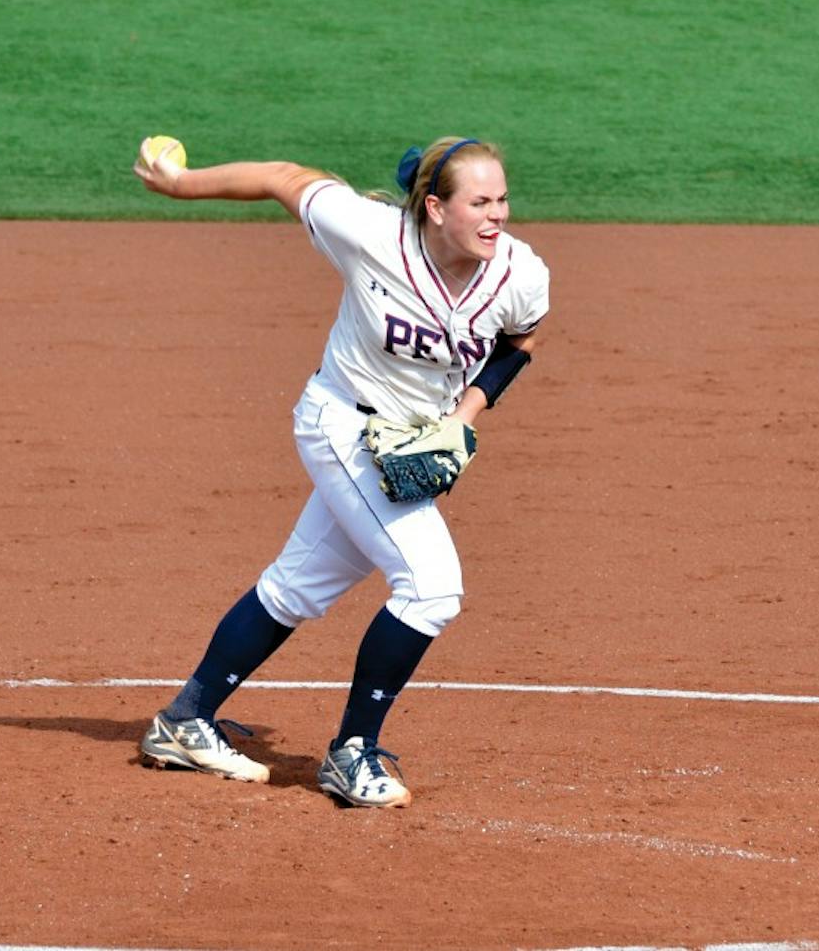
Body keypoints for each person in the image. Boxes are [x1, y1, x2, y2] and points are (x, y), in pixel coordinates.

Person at [130, 135, 549, 808]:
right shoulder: (368, 233)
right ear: (437, 209)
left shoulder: (518, 272)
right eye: (480, 202)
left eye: (502, 199)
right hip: (340, 426)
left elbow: (522, 336)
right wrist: (181, 185)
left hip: (406, 442)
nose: (497, 215)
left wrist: (464, 413)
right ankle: (352, 753)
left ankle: (185, 720)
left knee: (297, 588)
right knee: (432, 587)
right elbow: (279, 174)